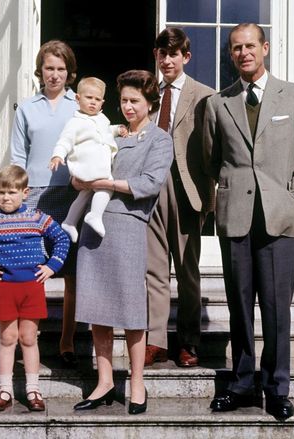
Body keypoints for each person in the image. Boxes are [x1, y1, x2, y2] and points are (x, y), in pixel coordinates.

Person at [203, 23, 294, 420]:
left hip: (279, 221)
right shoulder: (219, 104)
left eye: (250, 45)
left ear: (265, 48)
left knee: (275, 310)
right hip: (235, 217)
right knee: (239, 306)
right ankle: (241, 383)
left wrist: (292, 200)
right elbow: (211, 157)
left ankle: (276, 387)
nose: (243, 53)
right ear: (231, 54)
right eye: (236, 48)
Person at [72, 70, 173, 415]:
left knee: (131, 310)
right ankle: (104, 382)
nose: (127, 107)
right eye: (124, 100)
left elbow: (149, 182)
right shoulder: (107, 131)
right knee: (97, 307)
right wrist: (80, 177)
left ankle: (138, 382)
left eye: (134, 101)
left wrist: (109, 182)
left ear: (150, 104)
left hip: (129, 225)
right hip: (93, 227)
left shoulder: (159, 140)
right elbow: (82, 160)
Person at [0, 165, 70, 411]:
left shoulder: (37, 217)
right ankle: (5, 390)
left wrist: (52, 265)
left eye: (11, 192)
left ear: (25, 192)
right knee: (8, 338)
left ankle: (33, 390)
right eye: (1, 192)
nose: (6, 197)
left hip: (32, 286)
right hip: (4, 287)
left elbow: (61, 239)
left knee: (29, 338)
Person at [145, 27, 215, 368]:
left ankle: (188, 342)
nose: (167, 60)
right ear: (156, 56)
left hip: (187, 190)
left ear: (185, 57)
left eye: (173, 54)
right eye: (162, 53)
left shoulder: (204, 95)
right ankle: (156, 340)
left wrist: (211, 188)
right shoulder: (147, 94)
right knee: (154, 269)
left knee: (188, 270)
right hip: (150, 189)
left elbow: (214, 148)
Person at [11, 40, 80, 368]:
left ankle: (67, 342)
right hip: (34, 196)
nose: (54, 75)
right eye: (49, 68)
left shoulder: (80, 106)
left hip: (70, 194)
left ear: (69, 73)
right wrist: (19, 200)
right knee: (27, 271)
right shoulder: (26, 108)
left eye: (60, 69)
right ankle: (24, 339)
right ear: (40, 71)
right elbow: (17, 157)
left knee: (70, 272)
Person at [50, 77, 127, 242]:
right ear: (78, 99)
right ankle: (95, 215)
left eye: (97, 99)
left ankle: (70, 221)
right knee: (107, 187)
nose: (93, 102)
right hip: (88, 165)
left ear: (102, 102)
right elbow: (65, 140)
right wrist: (58, 154)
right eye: (89, 98)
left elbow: (105, 131)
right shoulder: (75, 122)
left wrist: (117, 129)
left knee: (85, 194)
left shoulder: (102, 119)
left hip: (94, 166)